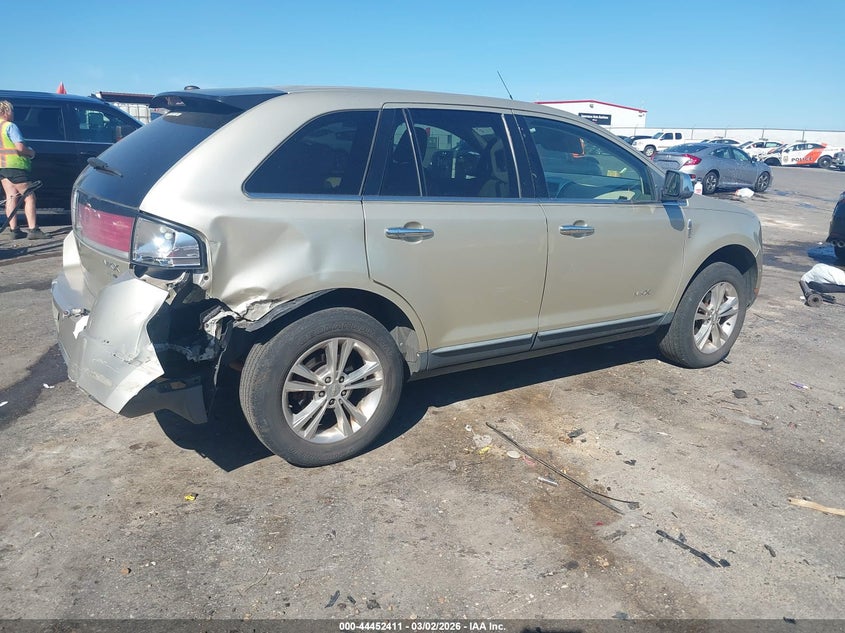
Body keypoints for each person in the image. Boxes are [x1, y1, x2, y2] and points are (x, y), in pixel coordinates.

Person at [0, 100, 48, 239]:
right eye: (12, 111)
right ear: (6, 111)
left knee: (11, 197)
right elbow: (20, 148)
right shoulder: (10, 126)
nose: (13, 114)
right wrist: (31, 152)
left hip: (2, 166)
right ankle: (33, 230)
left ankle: (14, 230)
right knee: (29, 196)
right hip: (16, 166)